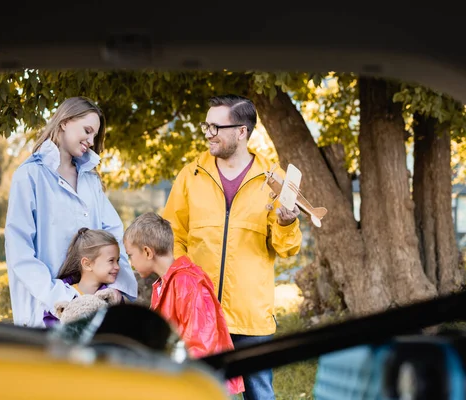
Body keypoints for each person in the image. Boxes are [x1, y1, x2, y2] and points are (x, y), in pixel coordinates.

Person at [161, 94, 303, 400]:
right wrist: (188, 288)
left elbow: (286, 248)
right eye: (207, 126)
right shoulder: (191, 175)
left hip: (251, 316)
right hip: (200, 313)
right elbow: (172, 237)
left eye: (216, 127)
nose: (209, 133)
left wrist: (286, 224)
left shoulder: (274, 179)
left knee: (260, 395)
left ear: (242, 131)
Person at [4, 96, 137, 328]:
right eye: (87, 130)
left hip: (92, 308)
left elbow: (113, 233)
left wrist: (117, 288)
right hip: (46, 310)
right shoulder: (30, 176)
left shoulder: (91, 181)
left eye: (95, 135)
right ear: (64, 122)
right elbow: (19, 250)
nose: (91, 140)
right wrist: (62, 296)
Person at [123, 212, 244, 396]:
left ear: (147, 252)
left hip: (205, 388)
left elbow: (201, 343)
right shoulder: (165, 284)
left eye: (130, 255)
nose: (131, 263)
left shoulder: (186, 282)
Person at [43, 228, 123, 328]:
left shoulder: (112, 298)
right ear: (87, 264)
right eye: (111, 261)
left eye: (118, 261)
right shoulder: (62, 294)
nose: (117, 267)